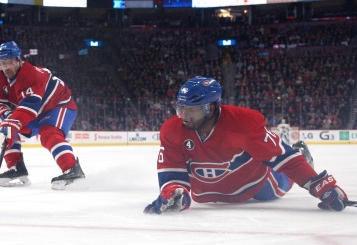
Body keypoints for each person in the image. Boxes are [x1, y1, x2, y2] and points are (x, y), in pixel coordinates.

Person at [145, 76, 350, 214]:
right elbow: (172, 170)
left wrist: (320, 185)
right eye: (181, 109)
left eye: (193, 110)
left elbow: (281, 157)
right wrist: (175, 193)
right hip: (205, 194)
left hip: (256, 186)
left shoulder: (243, 122)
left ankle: (303, 156)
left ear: (212, 107)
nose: (185, 117)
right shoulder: (172, 130)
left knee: (283, 180)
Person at [0, 41, 85, 190]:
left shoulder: (30, 75)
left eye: (10, 62)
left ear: (18, 60)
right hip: (37, 111)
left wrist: (11, 122)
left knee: (49, 132)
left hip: (59, 105)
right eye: (2, 63)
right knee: (4, 125)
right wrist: (5, 117)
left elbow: (29, 107)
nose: (6, 67)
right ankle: (17, 168)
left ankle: (73, 170)